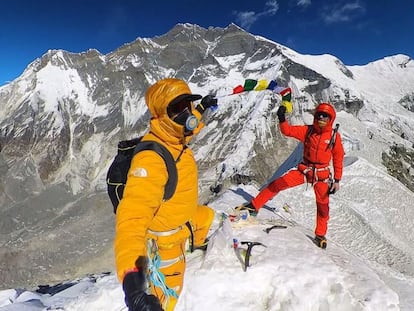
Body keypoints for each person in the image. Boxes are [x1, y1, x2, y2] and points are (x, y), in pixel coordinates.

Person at [114, 78, 218, 311]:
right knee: (168, 298)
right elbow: (131, 221)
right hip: (167, 243)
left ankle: (196, 243)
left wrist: (202, 109)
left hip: (185, 219)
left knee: (212, 217)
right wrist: (134, 290)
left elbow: (187, 126)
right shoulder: (151, 160)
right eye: (176, 108)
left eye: (187, 105)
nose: (185, 113)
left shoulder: (173, 136)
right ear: (162, 115)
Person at [237, 102, 344, 248]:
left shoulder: (333, 137)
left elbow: (338, 158)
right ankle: (254, 206)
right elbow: (287, 131)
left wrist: (337, 180)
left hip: (321, 176)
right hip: (305, 171)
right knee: (277, 184)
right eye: (319, 114)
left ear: (330, 119)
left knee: (323, 206)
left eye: (325, 115)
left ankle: (320, 235)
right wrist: (281, 118)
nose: (321, 117)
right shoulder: (308, 131)